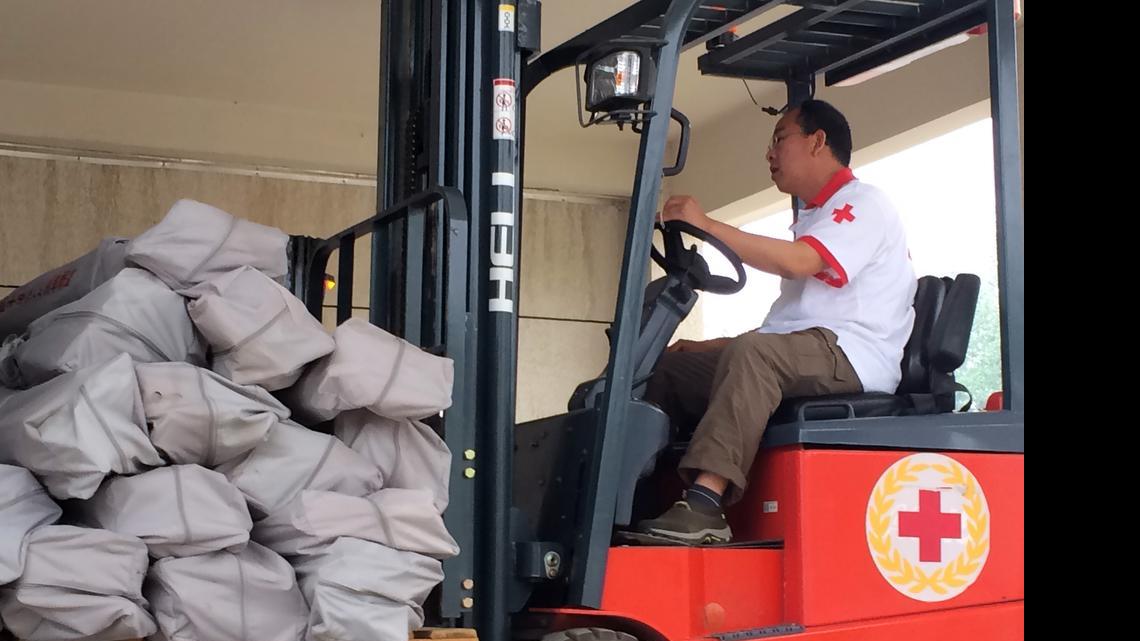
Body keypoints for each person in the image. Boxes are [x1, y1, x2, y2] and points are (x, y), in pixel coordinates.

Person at [634, 99, 917, 544]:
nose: (769, 153)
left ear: (817, 141)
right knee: (668, 370)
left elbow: (798, 264)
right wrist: (706, 348)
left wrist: (706, 225)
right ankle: (635, 498)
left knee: (756, 356)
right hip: (808, 348)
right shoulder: (813, 218)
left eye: (779, 139)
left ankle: (705, 506)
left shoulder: (862, 204)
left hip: (854, 354)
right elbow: (784, 328)